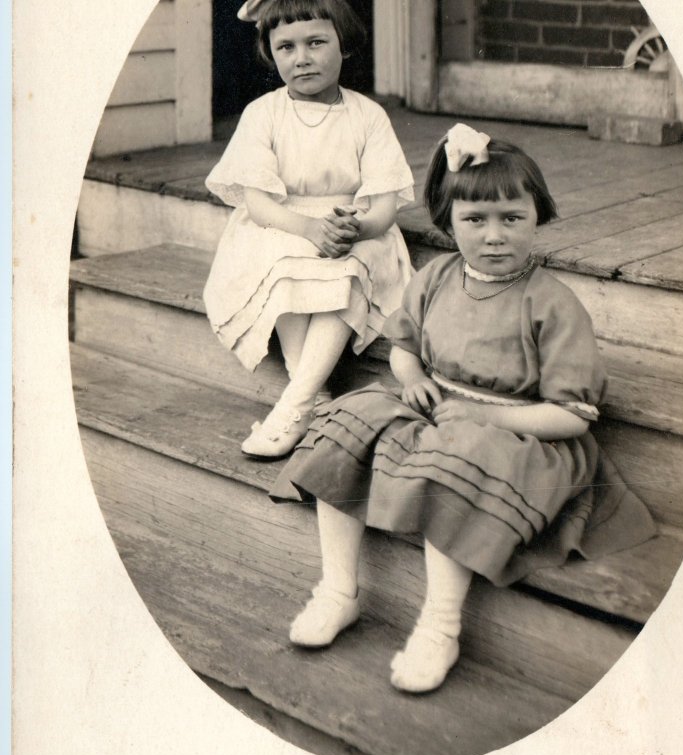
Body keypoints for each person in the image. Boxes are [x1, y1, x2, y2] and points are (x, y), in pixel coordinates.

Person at [270, 124, 656, 693]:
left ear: (538, 216)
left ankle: (440, 624)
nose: (494, 236)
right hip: (441, 409)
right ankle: (338, 590)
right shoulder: (437, 278)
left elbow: (571, 416)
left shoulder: (552, 303)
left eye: (511, 218)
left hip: (523, 433)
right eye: (475, 220)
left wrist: (490, 417)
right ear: (449, 222)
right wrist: (415, 376)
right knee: (347, 425)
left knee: (458, 460)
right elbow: (403, 346)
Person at [204, 0, 414, 458]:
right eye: (286, 47)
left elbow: (383, 206)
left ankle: (294, 406)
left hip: (352, 226)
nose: (302, 57)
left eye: (316, 42)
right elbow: (258, 203)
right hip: (284, 221)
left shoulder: (366, 115)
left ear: (344, 46)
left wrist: (353, 230)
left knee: (353, 268)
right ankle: (309, 401)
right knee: (286, 261)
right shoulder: (264, 113)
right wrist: (309, 229)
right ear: (271, 54)